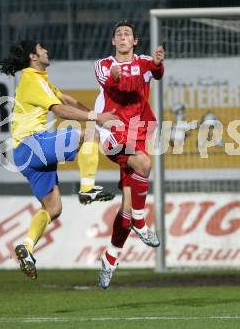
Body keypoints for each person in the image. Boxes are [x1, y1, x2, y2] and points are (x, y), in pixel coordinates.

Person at [0, 40, 117, 280]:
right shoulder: (32, 79)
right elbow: (60, 111)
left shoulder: (40, 80)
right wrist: (97, 118)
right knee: (90, 135)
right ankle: (87, 188)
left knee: (53, 208)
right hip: (33, 143)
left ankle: (28, 247)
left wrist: (95, 116)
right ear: (33, 56)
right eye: (42, 48)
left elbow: (67, 100)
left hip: (24, 155)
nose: (47, 50)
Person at [94, 21, 165, 289]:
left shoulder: (145, 61)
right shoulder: (103, 65)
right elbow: (118, 86)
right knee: (145, 164)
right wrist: (116, 76)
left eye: (127, 34)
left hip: (136, 132)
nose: (123, 37)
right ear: (113, 41)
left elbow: (156, 74)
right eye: (118, 34)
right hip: (112, 129)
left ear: (135, 41)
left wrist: (157, 64)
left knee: (125, 206)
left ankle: (110, 257)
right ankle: (140, 220)